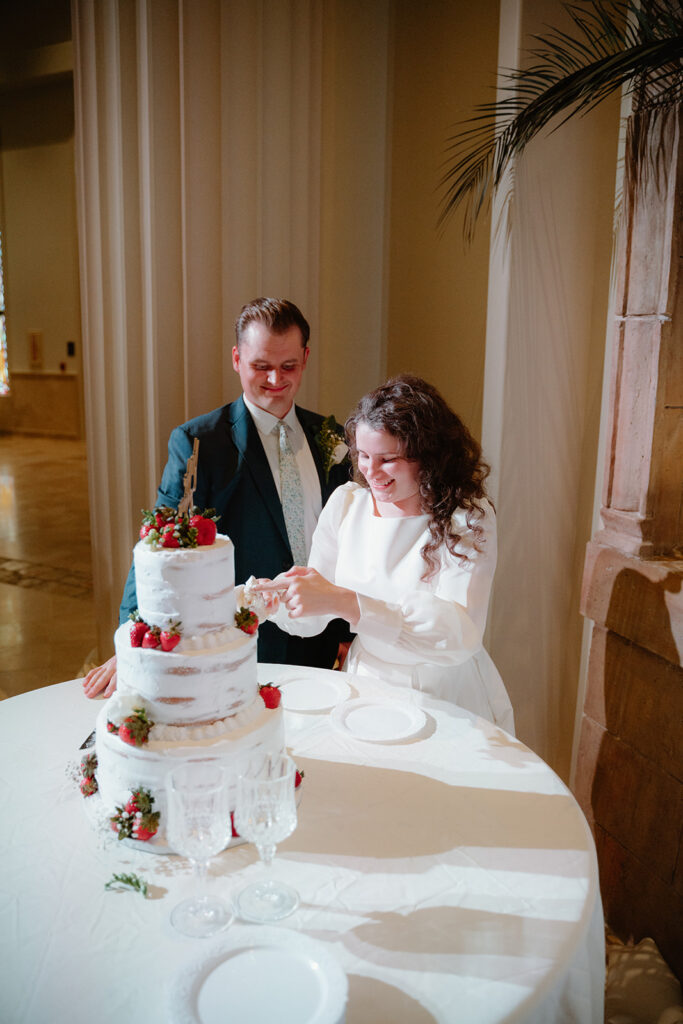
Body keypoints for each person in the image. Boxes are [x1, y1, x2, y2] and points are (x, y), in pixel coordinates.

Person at [83, 297, 351, 698]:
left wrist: (349, 630)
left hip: (322, 639)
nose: (276, 379)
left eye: (288, 366)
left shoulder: (331, 439)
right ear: (237, 358)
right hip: (240, 643)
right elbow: (162, 547)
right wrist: (135, 640)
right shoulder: (199, 443)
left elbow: (352, 540)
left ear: (305, 358)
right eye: (261, 366)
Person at [248, 374, 514, 733]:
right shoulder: (346, 505)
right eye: (363, 455)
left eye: (387, 459)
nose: (369, 472)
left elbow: (458, 634)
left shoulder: (466, 519)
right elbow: (314, 617)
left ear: (428, 457)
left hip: (443, 691)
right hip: (366, 682)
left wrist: (350, 603)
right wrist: (278, 599)